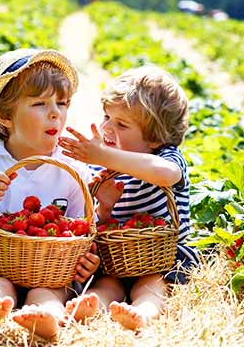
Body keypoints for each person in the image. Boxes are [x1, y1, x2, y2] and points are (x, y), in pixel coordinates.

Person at [0, 48, 100, 340]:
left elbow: (82, 234)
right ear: (5, 115)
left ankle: (46, 317)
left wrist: (86, 259)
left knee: (48, 292)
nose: (55, 112)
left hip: (53, 269)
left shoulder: (73, 169)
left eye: (62, 103)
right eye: (40, 103)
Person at [58, 66, 201, 330]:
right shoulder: (106, 170)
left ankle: (143, 313)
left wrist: (103, 156)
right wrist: (106, 206)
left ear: (156, 138)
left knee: (151, 284)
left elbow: (166, 174)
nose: (106, 128)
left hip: (161, 258)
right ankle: (92, 306)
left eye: (121, 124)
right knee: (107, 284)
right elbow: (103, 224)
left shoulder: (166, 158)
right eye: (107, 117)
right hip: (118, 260)